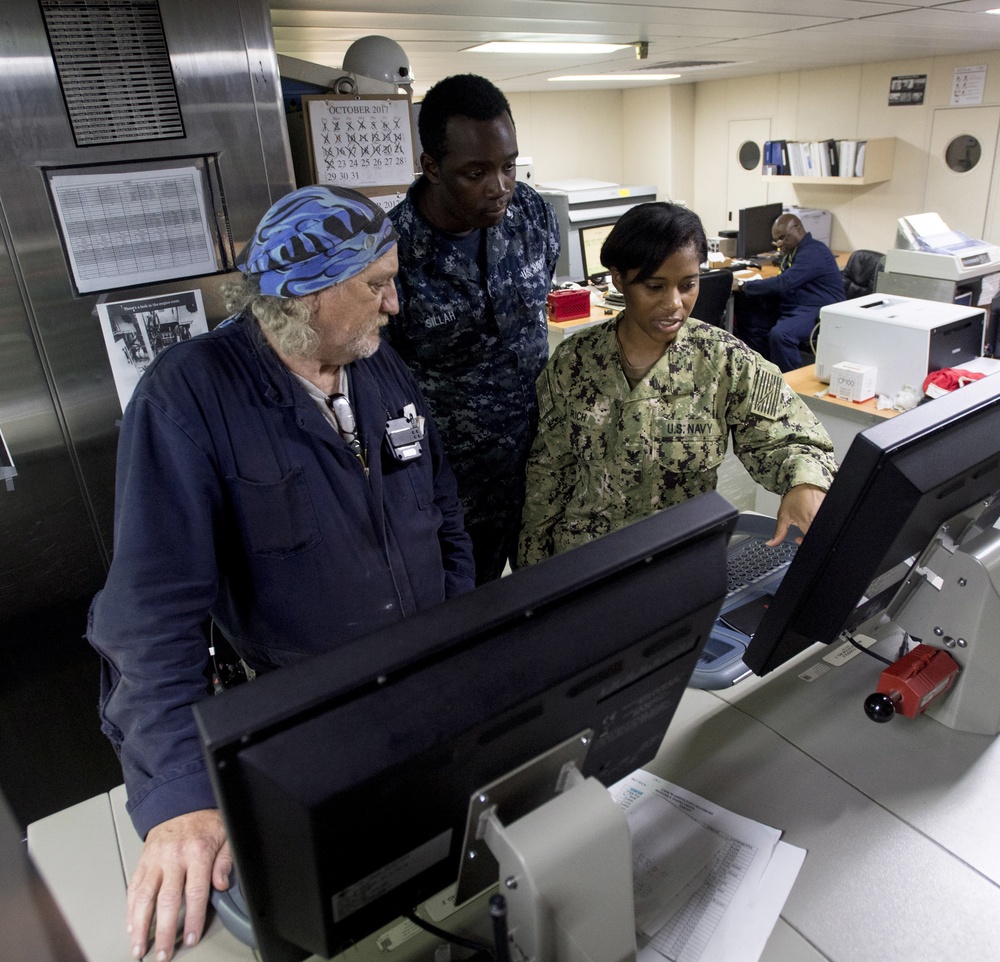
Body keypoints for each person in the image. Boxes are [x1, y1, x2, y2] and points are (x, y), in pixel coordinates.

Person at [87, 186, 475, 962]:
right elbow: (149, 616)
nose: (395, 304)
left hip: (426, 700)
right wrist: (179, 799)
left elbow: (445, 519)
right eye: (375, 284)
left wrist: (461, 644)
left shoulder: (376, 367)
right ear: (305, 291)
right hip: (306, 726)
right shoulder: (190, 395)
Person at [518, 202, 837, 567]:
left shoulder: (724, 360)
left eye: (688, 285)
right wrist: (533, 574)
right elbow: (548, 474)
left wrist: (805, 483)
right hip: (587, 562)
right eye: (655, 287)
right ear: (619, 279)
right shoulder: (574, 361)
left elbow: (794, 440)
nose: (674, 304)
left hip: (677, 560)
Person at [386, 73, 561, 583]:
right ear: (432, 167)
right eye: (476, 172)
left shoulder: (532, 215)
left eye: (508, 166)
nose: (500, 186)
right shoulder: (391, 256)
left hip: (542, 467)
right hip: (455, 494)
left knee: (553, 605)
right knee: (467, 620)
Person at [735, 212, 845, 372]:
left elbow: (784, 283)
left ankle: (789, 383)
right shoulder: (795, 252)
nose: (779, 244)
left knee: (781, 335)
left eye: (782, 238)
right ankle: (764, 371)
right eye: (776, 240)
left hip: (818, 309)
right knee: (752, 319)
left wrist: (743, 286)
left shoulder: (814, 252)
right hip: (796, 305)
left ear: (798, 229)